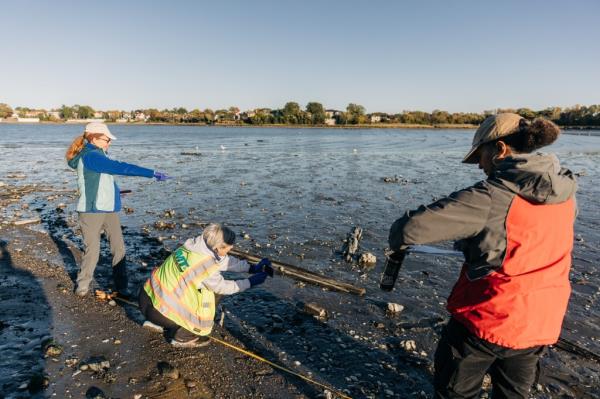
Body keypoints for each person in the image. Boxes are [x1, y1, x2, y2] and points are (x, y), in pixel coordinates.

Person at [388, 113, 577, 398]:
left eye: (480, 155)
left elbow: (408, 230)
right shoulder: (567, 194)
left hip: (488, 318)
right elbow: (527, 241)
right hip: (541, 321)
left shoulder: (491, 196)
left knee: (456, 391)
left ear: (500, 149)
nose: (479, 164)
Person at [66, 122, 171, 298]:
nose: (109, 142)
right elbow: (121, 167)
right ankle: (82, 286)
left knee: (119, 248)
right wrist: (151, 172)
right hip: (91, 210)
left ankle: (122, 286)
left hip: (108, 209)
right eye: (107, 139)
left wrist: (115, 193)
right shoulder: (91, 156)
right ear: (93, 138)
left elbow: (104, 180)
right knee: (93, 250)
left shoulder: (99, 154)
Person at [139, 223, 274, 348]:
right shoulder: (205, 267)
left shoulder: (193, 247)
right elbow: (223, 287)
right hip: (160, 312)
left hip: (145, 299)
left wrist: (252, 268)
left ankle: (156, 323)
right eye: (228, 249)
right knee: (212, 296)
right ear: (217, 248)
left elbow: (225, 261)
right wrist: (250, 282)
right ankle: (182, 336)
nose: (229, 251)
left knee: (186, 288)